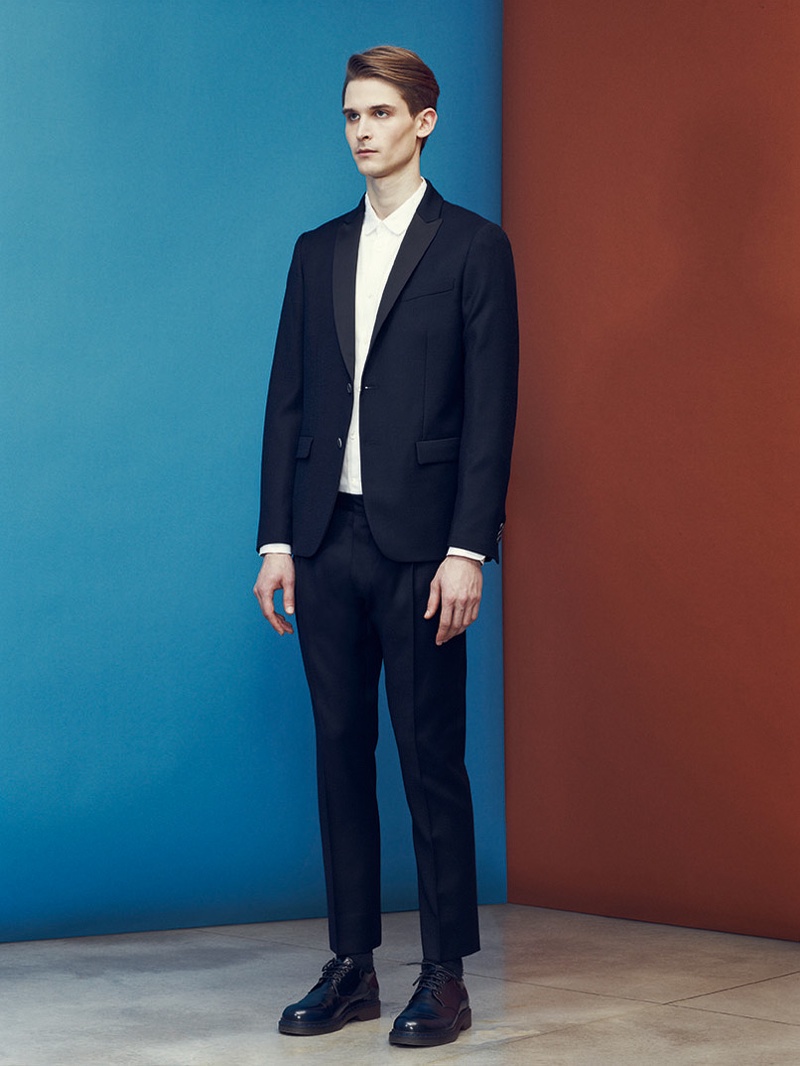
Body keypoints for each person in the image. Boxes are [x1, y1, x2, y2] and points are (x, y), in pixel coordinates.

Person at [253, 44, 518, 1048]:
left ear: (423, 122)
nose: (360, 130)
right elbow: (286, 403)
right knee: (337, 754)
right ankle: (351, 966)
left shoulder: (473, 247)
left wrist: (468, 550)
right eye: (350, 114)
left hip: (422, 548)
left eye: (378, 112)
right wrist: (278, 538)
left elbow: (491, 412)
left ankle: (444, 973)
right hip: (326, 540)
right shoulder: (315, 250)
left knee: (428, 757)